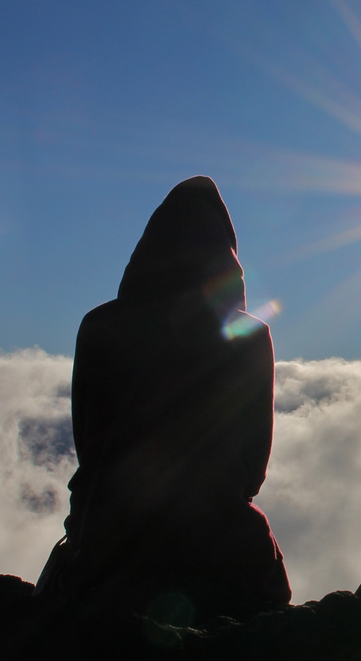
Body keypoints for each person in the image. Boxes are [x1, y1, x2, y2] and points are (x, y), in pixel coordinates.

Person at [35, 176, 291, 623]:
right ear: (228, 258)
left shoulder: (100, 325)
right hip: (220, 537)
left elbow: (89, 442)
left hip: (107, 533)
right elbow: (254, 460)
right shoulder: (250, 337)